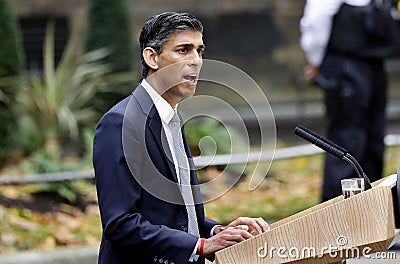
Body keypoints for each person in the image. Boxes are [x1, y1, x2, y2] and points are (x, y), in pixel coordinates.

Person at [93, 12, 269, 264]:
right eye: (184, 50)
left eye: (199, 50)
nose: (196, 61)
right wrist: (201, 245)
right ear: (152, 57)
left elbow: (174, 213)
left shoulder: (171, 117)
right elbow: (120, 223)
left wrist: (217, 232)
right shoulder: (120, 122)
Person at [300, 0, 389, 201]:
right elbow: (317, 19)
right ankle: (341, 210)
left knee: (365, 139)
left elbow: (315, 20)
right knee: (350, 141)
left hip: (363, 64)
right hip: (351, 66)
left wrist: (315, 60)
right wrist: (316, 59)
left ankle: (369, 205)